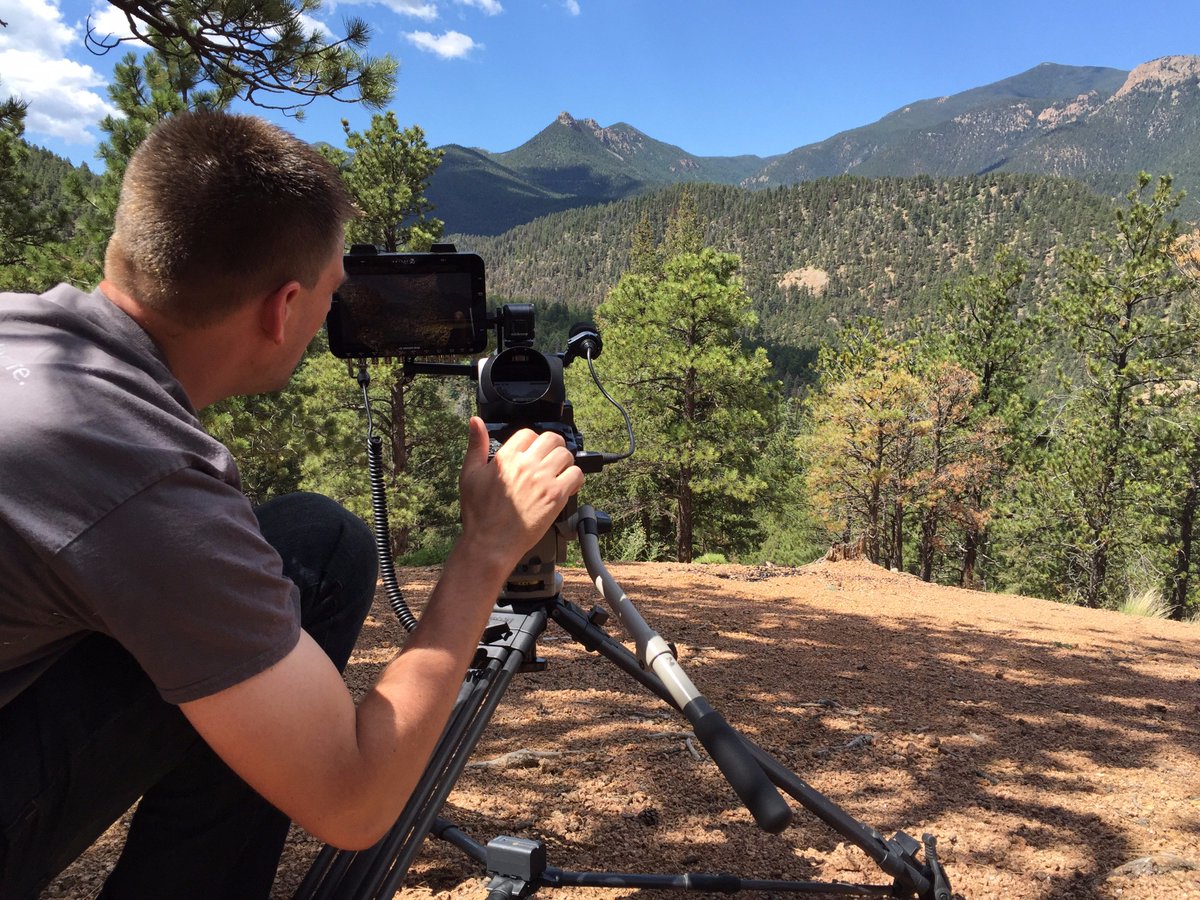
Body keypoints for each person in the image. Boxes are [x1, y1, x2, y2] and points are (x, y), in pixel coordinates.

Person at [0, 110, 583, 899]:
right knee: (321, 555)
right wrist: (486, 549)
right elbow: (355, 803)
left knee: (315, 541)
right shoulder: (143, 479)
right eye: (334, 296)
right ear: (281, 310)